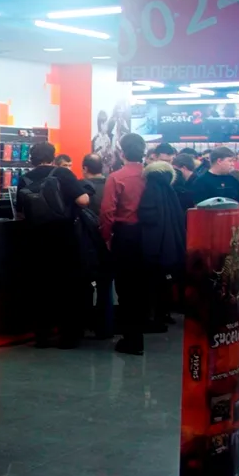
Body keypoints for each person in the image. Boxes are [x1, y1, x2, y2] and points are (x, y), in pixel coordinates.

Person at [20, 142, 90, 348]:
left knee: (41, 287)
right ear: (52, 156)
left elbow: (21, 211)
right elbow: (83, 200)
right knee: (69, 286)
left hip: (37, 240)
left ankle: (42, 335)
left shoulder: (25, 178)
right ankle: (69, 336)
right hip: (65, 237)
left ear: (32, 158)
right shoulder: (63, 174)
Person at [100, 133, 148, 355]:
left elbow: (107, 212)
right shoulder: (150, 176)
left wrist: (107, 237)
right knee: (142, 287)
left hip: (125, 234)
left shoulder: (116, 177)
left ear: (121, 153)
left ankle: (131, 339)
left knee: (126, 288)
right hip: (148, 234)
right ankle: (139, 334)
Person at [138, 161, 186, 334]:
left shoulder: (151, 187)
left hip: (154, 243)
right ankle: (163, 314)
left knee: (151, 283)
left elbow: (148, 214)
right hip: (171, 243)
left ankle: (153, 318)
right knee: (165, 281)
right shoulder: (169, 189)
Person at [188, 146, 239, 210]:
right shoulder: (201, 182)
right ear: (219, 161)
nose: (232, 164)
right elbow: (198, 208)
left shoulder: (233, 180)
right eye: (230, 161)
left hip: (233, 216)